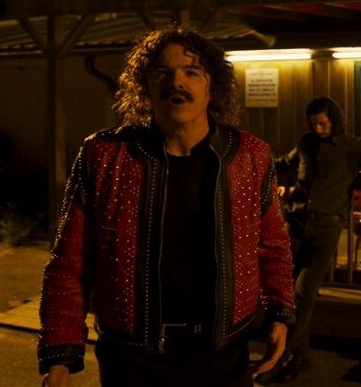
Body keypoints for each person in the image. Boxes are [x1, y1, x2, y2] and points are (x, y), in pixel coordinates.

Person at [38, 27, 295, 387]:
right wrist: (60, 354)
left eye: (192, 72)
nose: (177, 82)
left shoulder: (249, 156)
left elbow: (273, 246)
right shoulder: (105, 156)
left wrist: (281, 313)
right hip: (132, 360)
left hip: (223, 355)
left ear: (212, 84)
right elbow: (69, 261)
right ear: (145, 84)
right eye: (163, 72)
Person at [262, 96, 361, 383]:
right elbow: (284, 163)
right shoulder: (307, 143)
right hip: (296, 222)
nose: (318, 129)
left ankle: (281, 355)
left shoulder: (351, 146)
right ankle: (298, 358)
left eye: (323, 123)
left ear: (334, 121)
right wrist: (258, 167)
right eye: (314, 124)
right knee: (285, 291)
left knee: (304, 291)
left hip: (326, 226)